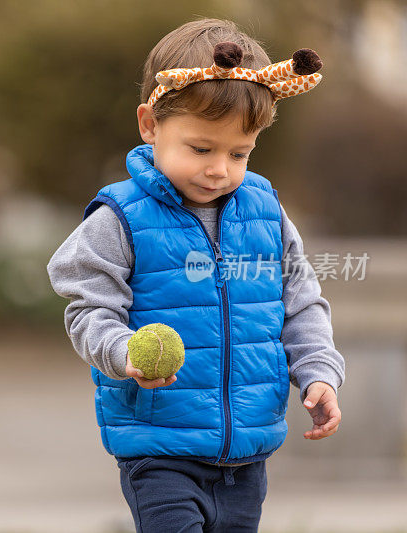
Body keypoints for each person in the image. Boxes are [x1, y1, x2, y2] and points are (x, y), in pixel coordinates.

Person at [46, 18, 345, 532]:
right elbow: (90, 306)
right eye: (201, 149)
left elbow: (300, 301)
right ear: (149, 125)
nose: (219, 170)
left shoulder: (265, 212)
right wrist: (123, 352)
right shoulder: (122, 217)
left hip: (247, 451)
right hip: (159, 444)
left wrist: (319, 371)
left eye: (239, 153)